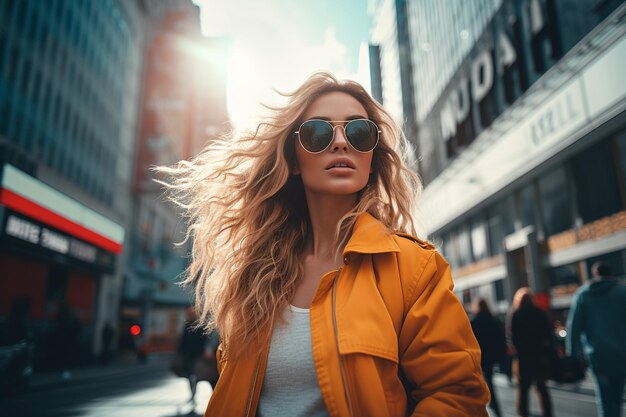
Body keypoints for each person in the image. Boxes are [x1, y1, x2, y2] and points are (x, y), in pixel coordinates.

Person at [160, 72, 489, 416]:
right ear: (294, 159)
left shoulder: (414, 269)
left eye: (359, 132)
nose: (341, 143)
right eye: (318, 133)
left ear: (372, 158)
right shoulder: (255, 276)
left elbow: (456, 397)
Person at [567, 262, 626, 417]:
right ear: (611, 273)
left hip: (598, 356)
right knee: (617, 398)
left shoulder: (583, 294)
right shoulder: (622, 291)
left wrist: (573, 355)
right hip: (621, 355)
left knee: (605, 400)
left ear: (594, 274)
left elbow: (574, 328)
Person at [510, 287, 554, 417]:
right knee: (542, 387)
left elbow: (514, 337)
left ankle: (523, 412)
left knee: (523, 388)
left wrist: (518, 352)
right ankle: (548, 413)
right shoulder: (540, 313)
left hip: (524, 357)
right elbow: (548, 335)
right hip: (539, 356)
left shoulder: (516, 314)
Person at [177, 308, 219, 408]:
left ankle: (215, 395)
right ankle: (193, 395)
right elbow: (183, 340)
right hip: (190, 355)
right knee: (192, 377)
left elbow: (208, 338)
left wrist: (208, 349)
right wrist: (180, 352)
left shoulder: (202, 324)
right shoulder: (187, 324)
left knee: (210, 377)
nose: (189, 314)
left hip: (201, 355)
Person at [471, 298, 506, 417]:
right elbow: (500, 339)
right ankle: (494, 406)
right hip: (490, 356)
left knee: (480, 383)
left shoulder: (474, 322)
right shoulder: (493, 320)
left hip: (479, 356)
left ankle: (487, 405)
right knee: (489, 380)